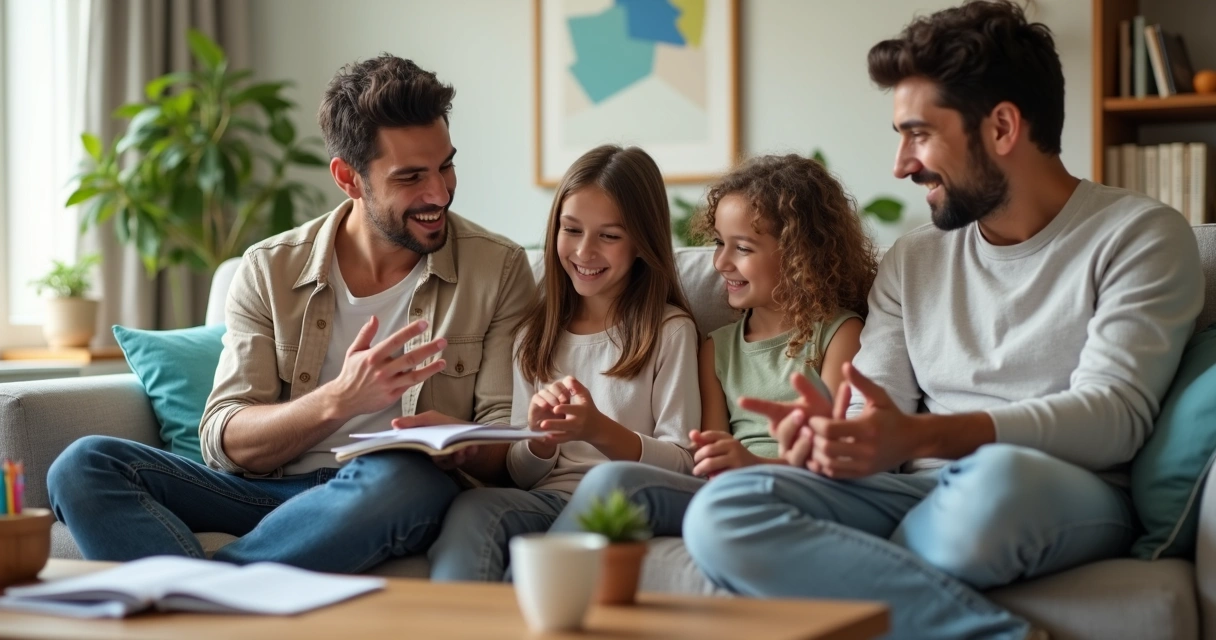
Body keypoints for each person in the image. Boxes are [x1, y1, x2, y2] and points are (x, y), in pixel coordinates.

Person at [681, 2, 1205, 639]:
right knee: (722, 511)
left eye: (919, 134)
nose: (901, 164)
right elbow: (873, 408)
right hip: (919, 493)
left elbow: (1114, 419)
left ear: (1002, 127)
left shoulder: (1139, 235)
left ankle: (858, 576)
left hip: (1052, 489)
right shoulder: (914, 258)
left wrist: (921, 438)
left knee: (996, 480)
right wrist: (837, 442)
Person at [47, 55, 536, 573]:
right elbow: (223, 438)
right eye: (411, 177)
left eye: (445, 166)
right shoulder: (269, 267)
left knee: (409, 478)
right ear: (348, 178)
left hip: (385, 489)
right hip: (264, 492)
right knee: (82, 466)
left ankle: (202, 592)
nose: (438, 192)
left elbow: (506, 449)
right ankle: (226, 592)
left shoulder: (499, 269)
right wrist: (338, 401)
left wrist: (460, 445)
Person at [548, 153, 875, 538]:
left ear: (800, 254)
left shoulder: (839, 334)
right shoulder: (716, 348)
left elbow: (836, 460)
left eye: (743, 248)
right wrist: (726, 466)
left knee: (615, 482)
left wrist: (752, 464)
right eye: (719, 243)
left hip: (802, 491)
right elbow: (706, 461)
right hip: (726, 494)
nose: (720, 262)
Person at [427, 145, 700, 581]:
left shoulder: (669, 331)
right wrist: (539, 440)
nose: (584, 251)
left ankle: (534, 597)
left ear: (642, 242)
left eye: (609, 236)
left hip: (622, 496)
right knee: (474, 506)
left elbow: (684, 463)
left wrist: (598, 430)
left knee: (603, 484)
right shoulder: (533, 336)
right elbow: (522, 475)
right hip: (550, 499)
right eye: (571, 230)